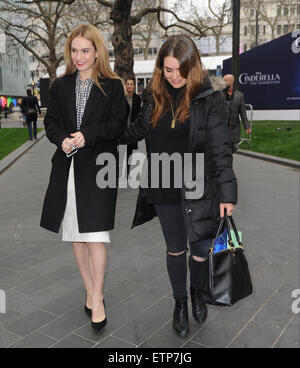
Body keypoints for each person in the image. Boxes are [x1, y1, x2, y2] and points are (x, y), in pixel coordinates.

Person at [120, 35, 237, 338]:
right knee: (175, 249)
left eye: (179, 70)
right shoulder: (152, 96)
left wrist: (227, 192)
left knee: (199, 250)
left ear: (193, 65)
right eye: (168, 69)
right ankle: (180, 303)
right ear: (160, 68)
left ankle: (197, 292)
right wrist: (100, 135)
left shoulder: (208, 99)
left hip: (199, 186)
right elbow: (137, 130)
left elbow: (220, 148)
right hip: (163, 184)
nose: (174, 76)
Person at [40, 24, 128, 332]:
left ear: (98, 51)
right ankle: (92, 291)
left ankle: (97, 298)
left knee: (96, 235)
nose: (79, 57)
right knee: (76, 234)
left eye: (85, 51)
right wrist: (61, 139)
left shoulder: (113, 85)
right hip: (67, 168)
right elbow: (51, 122)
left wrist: (86, 136)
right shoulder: (61, 85)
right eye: (74, 51)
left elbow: (118, 125)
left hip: (98, 168)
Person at [223, 74, 251, 153]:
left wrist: (247, 126)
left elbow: (242, 112)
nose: (223, 82)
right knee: (224, 149)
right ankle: (226, 162)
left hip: (234, 127)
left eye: (225, 80)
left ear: (231, 81)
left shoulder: (240, 95)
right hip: (222, 127)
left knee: (234, 147)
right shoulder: (220, 94)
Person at [123, 77, 141, 177]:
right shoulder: (122, 98)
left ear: (134, 86)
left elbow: (139, 114)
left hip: (131, 129)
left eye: (131, 84)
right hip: (121, 129)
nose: (129, 86)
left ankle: (128, 171)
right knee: (120, 150)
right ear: (125, 86)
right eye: (128, 84)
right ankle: (119, 170)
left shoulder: (137, 98)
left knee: (130, 151)